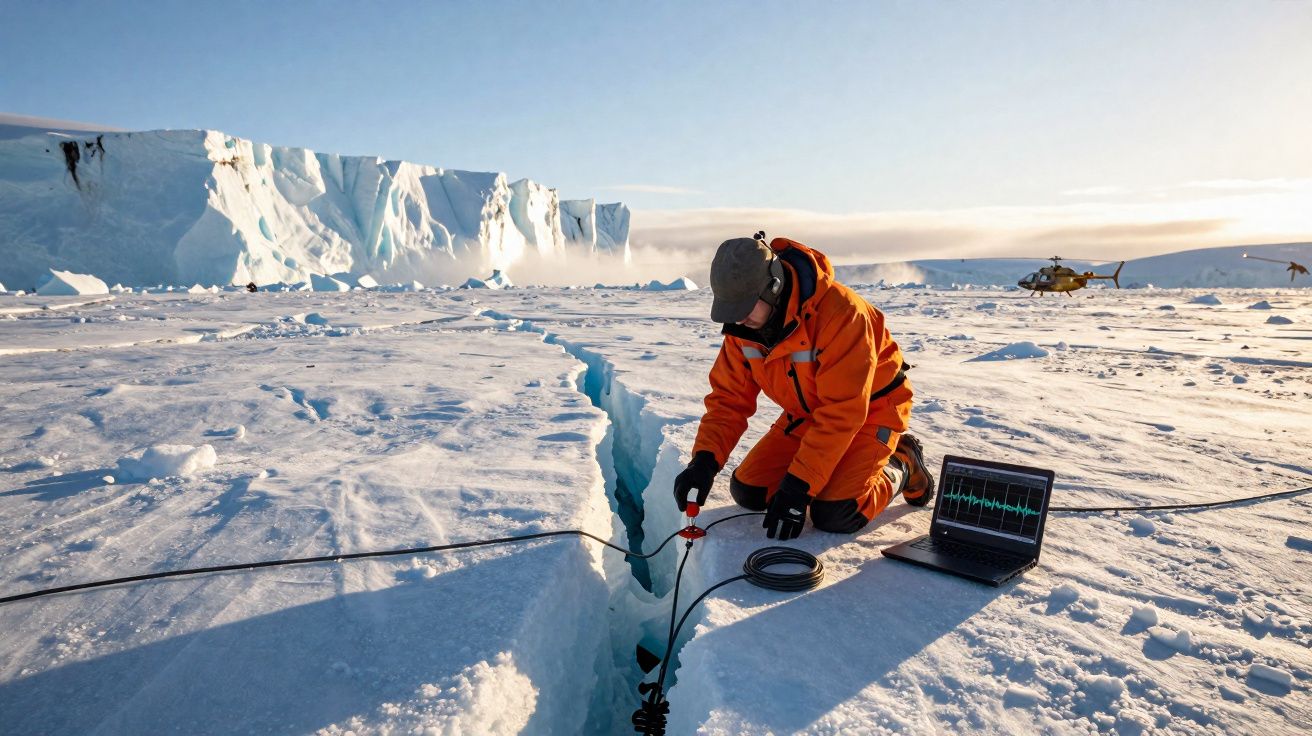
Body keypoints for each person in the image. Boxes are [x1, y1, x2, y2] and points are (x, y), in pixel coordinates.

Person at [672, 234, 934, 540]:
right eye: (732, 309)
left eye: (745, 307)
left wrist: (799, 485)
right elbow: (729, 399)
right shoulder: (743, 328)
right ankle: (834, 471)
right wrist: (704, 460)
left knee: (835, 512)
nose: (739, 319)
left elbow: (843, 412)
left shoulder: (842, 314)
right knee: (750, 491)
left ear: (774, 286)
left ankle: (902, 461)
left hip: (871, 413)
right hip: (808, 414)